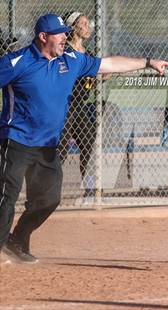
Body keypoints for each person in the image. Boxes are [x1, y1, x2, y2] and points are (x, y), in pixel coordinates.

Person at [0, 13, 168, 264]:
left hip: (48, 145)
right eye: (60, 33)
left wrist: (148, 62)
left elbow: (109, 65)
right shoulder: (16, 62)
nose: (65, 37)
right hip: (15, 140)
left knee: (49, 198)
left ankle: (17, 240)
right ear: (43, 37)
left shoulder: (71, 60)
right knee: (7, 195)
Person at [58, 12, 99, 197]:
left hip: (80, 106)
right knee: (61, 149)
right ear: (73, 27)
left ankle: (89, 187)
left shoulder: (88, 54)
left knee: (88, 142)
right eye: (83, 24)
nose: (88, 26)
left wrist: (102, 75)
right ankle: (50, 188)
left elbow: (96, 73)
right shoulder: (65, 52)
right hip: (64, 106)